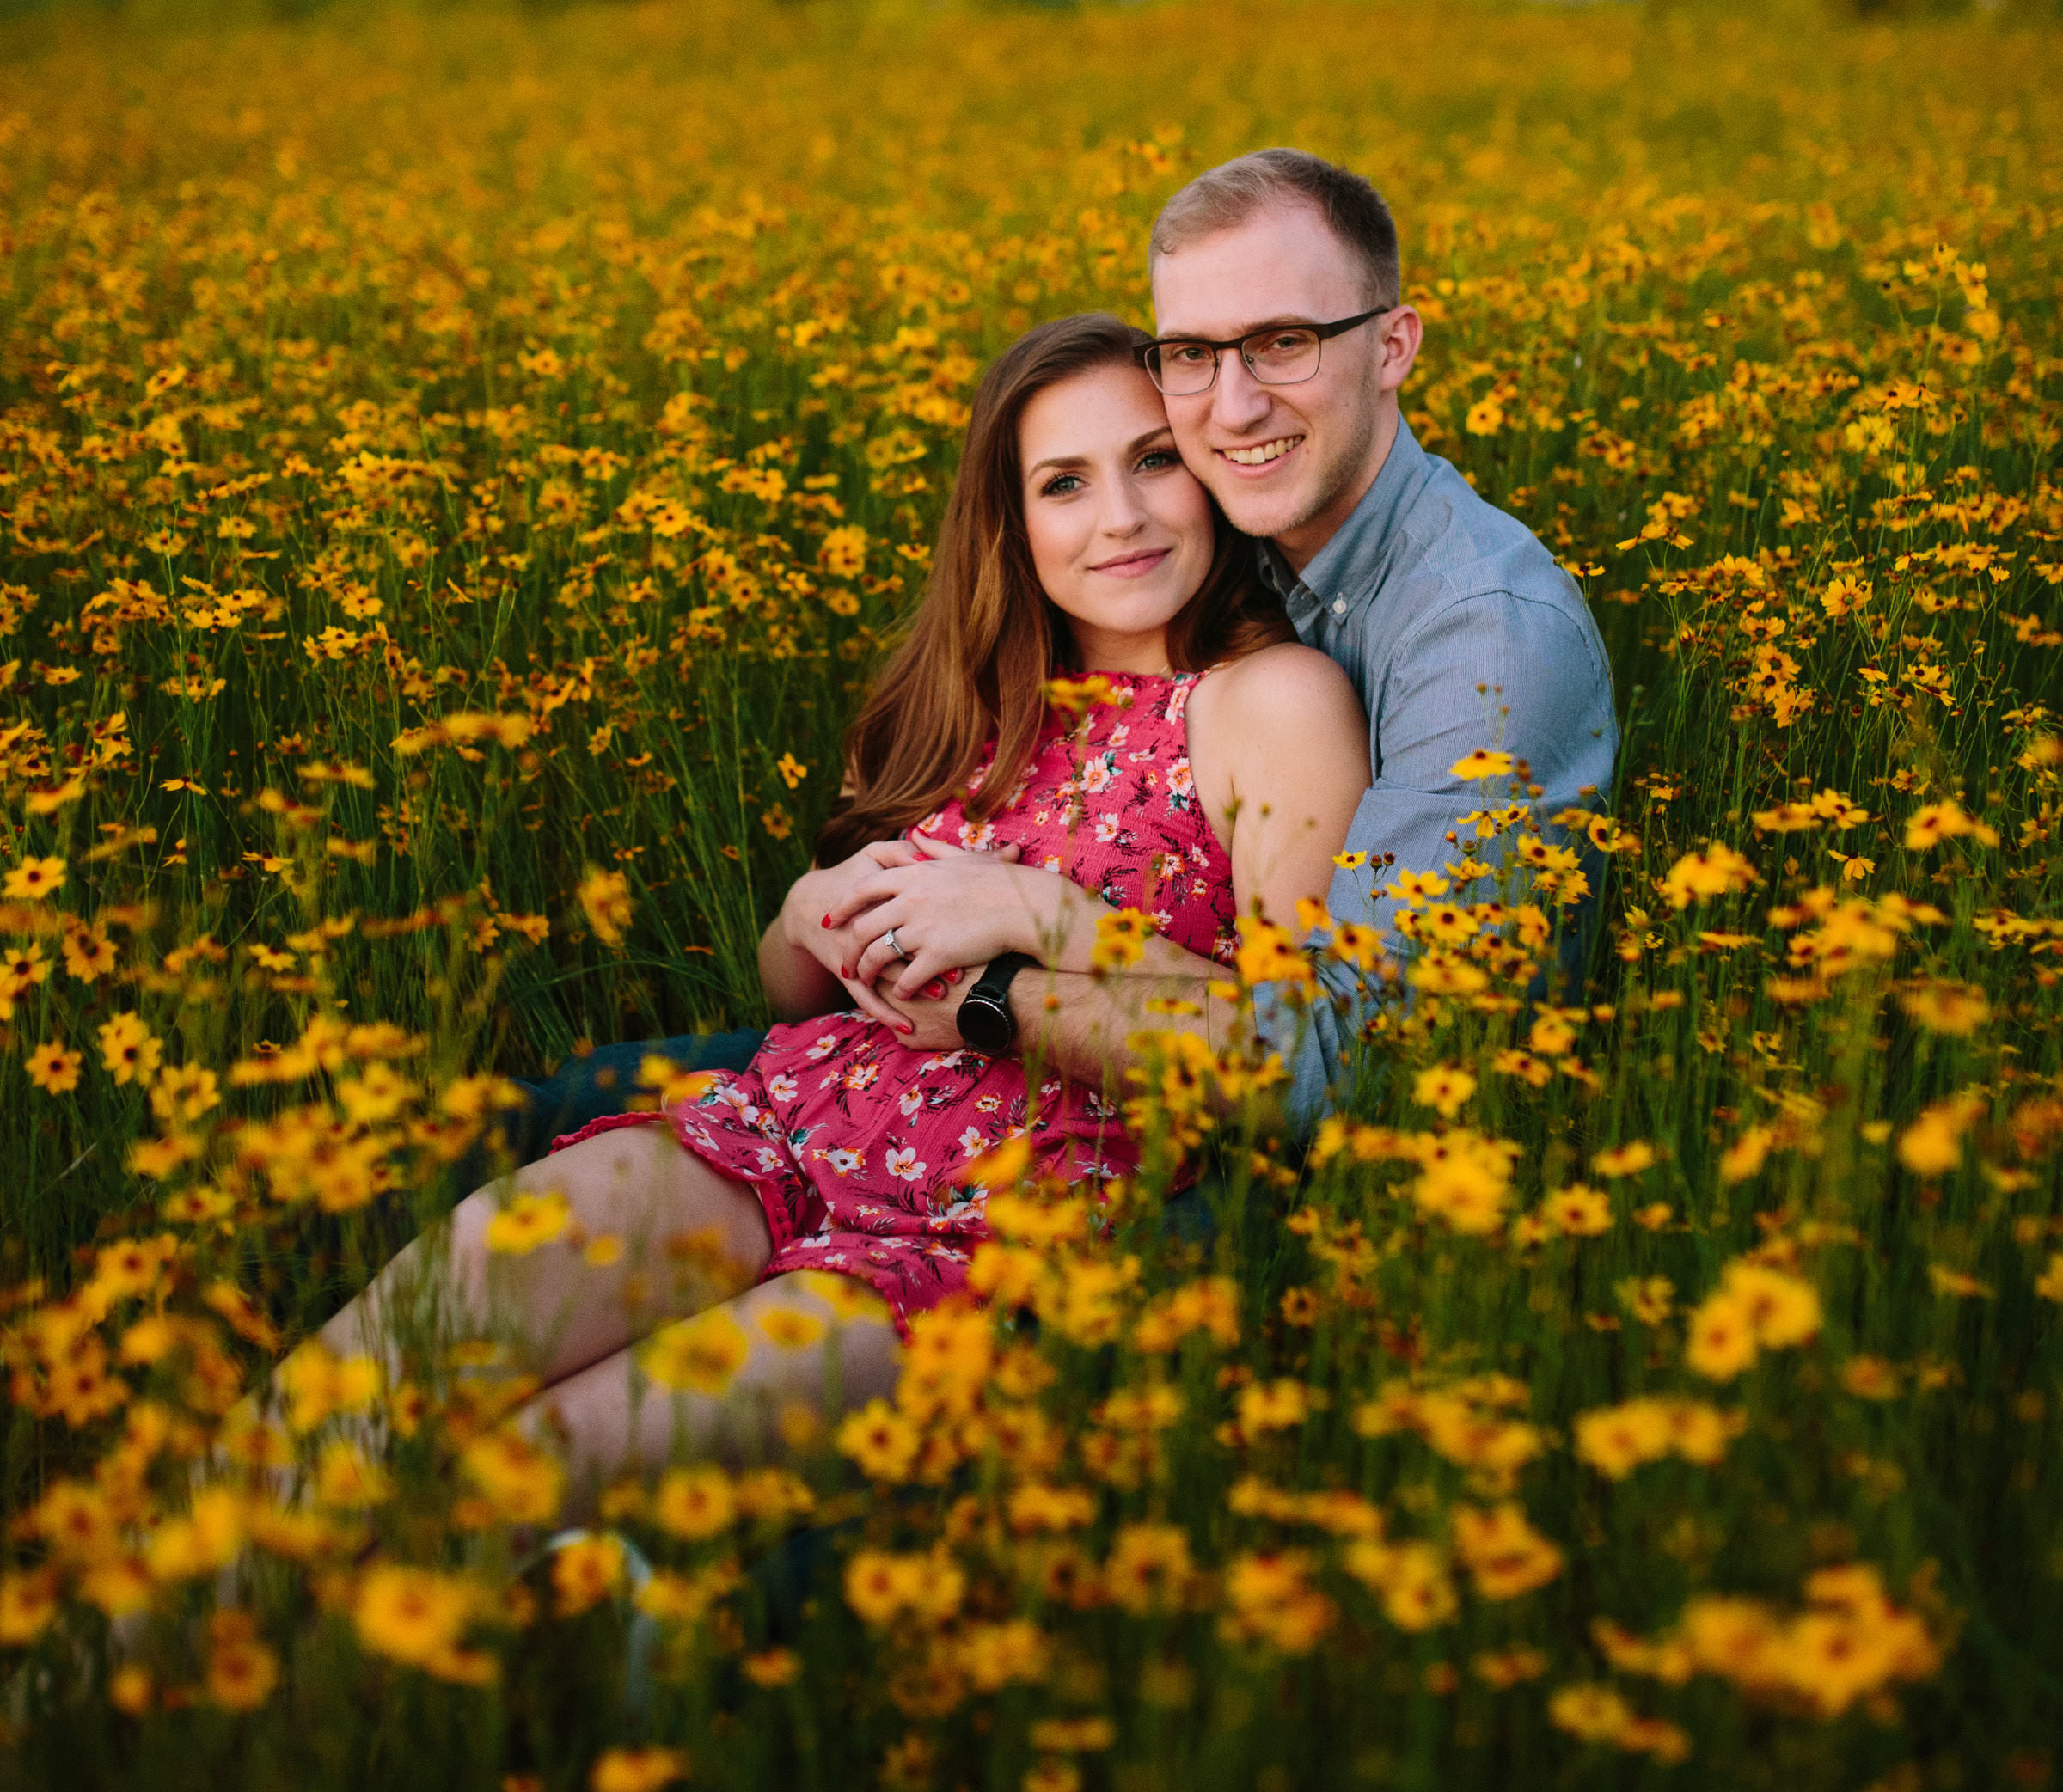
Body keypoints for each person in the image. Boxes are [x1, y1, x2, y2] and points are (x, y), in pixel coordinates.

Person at [309, 314, 1370, 1496]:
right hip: (767, 1133)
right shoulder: (970, 694)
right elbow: (793, 991)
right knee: (368, 1375)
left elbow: (1293, 1045)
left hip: (983, 1238)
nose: (1119, 516)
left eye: (1153, 460)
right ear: (1010, 525)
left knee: (510, 1480)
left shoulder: (1269, 702)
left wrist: (1039, 912)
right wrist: (812, 908)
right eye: (1062, 483)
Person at [842, 150, 1619, 1126]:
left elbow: (1367, 1074)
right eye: (1195, 354)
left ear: (1393, 347)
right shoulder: (1211, 543)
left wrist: (1003, 989)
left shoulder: (1488, 644)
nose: (1234, 406)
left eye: (1285, 342)